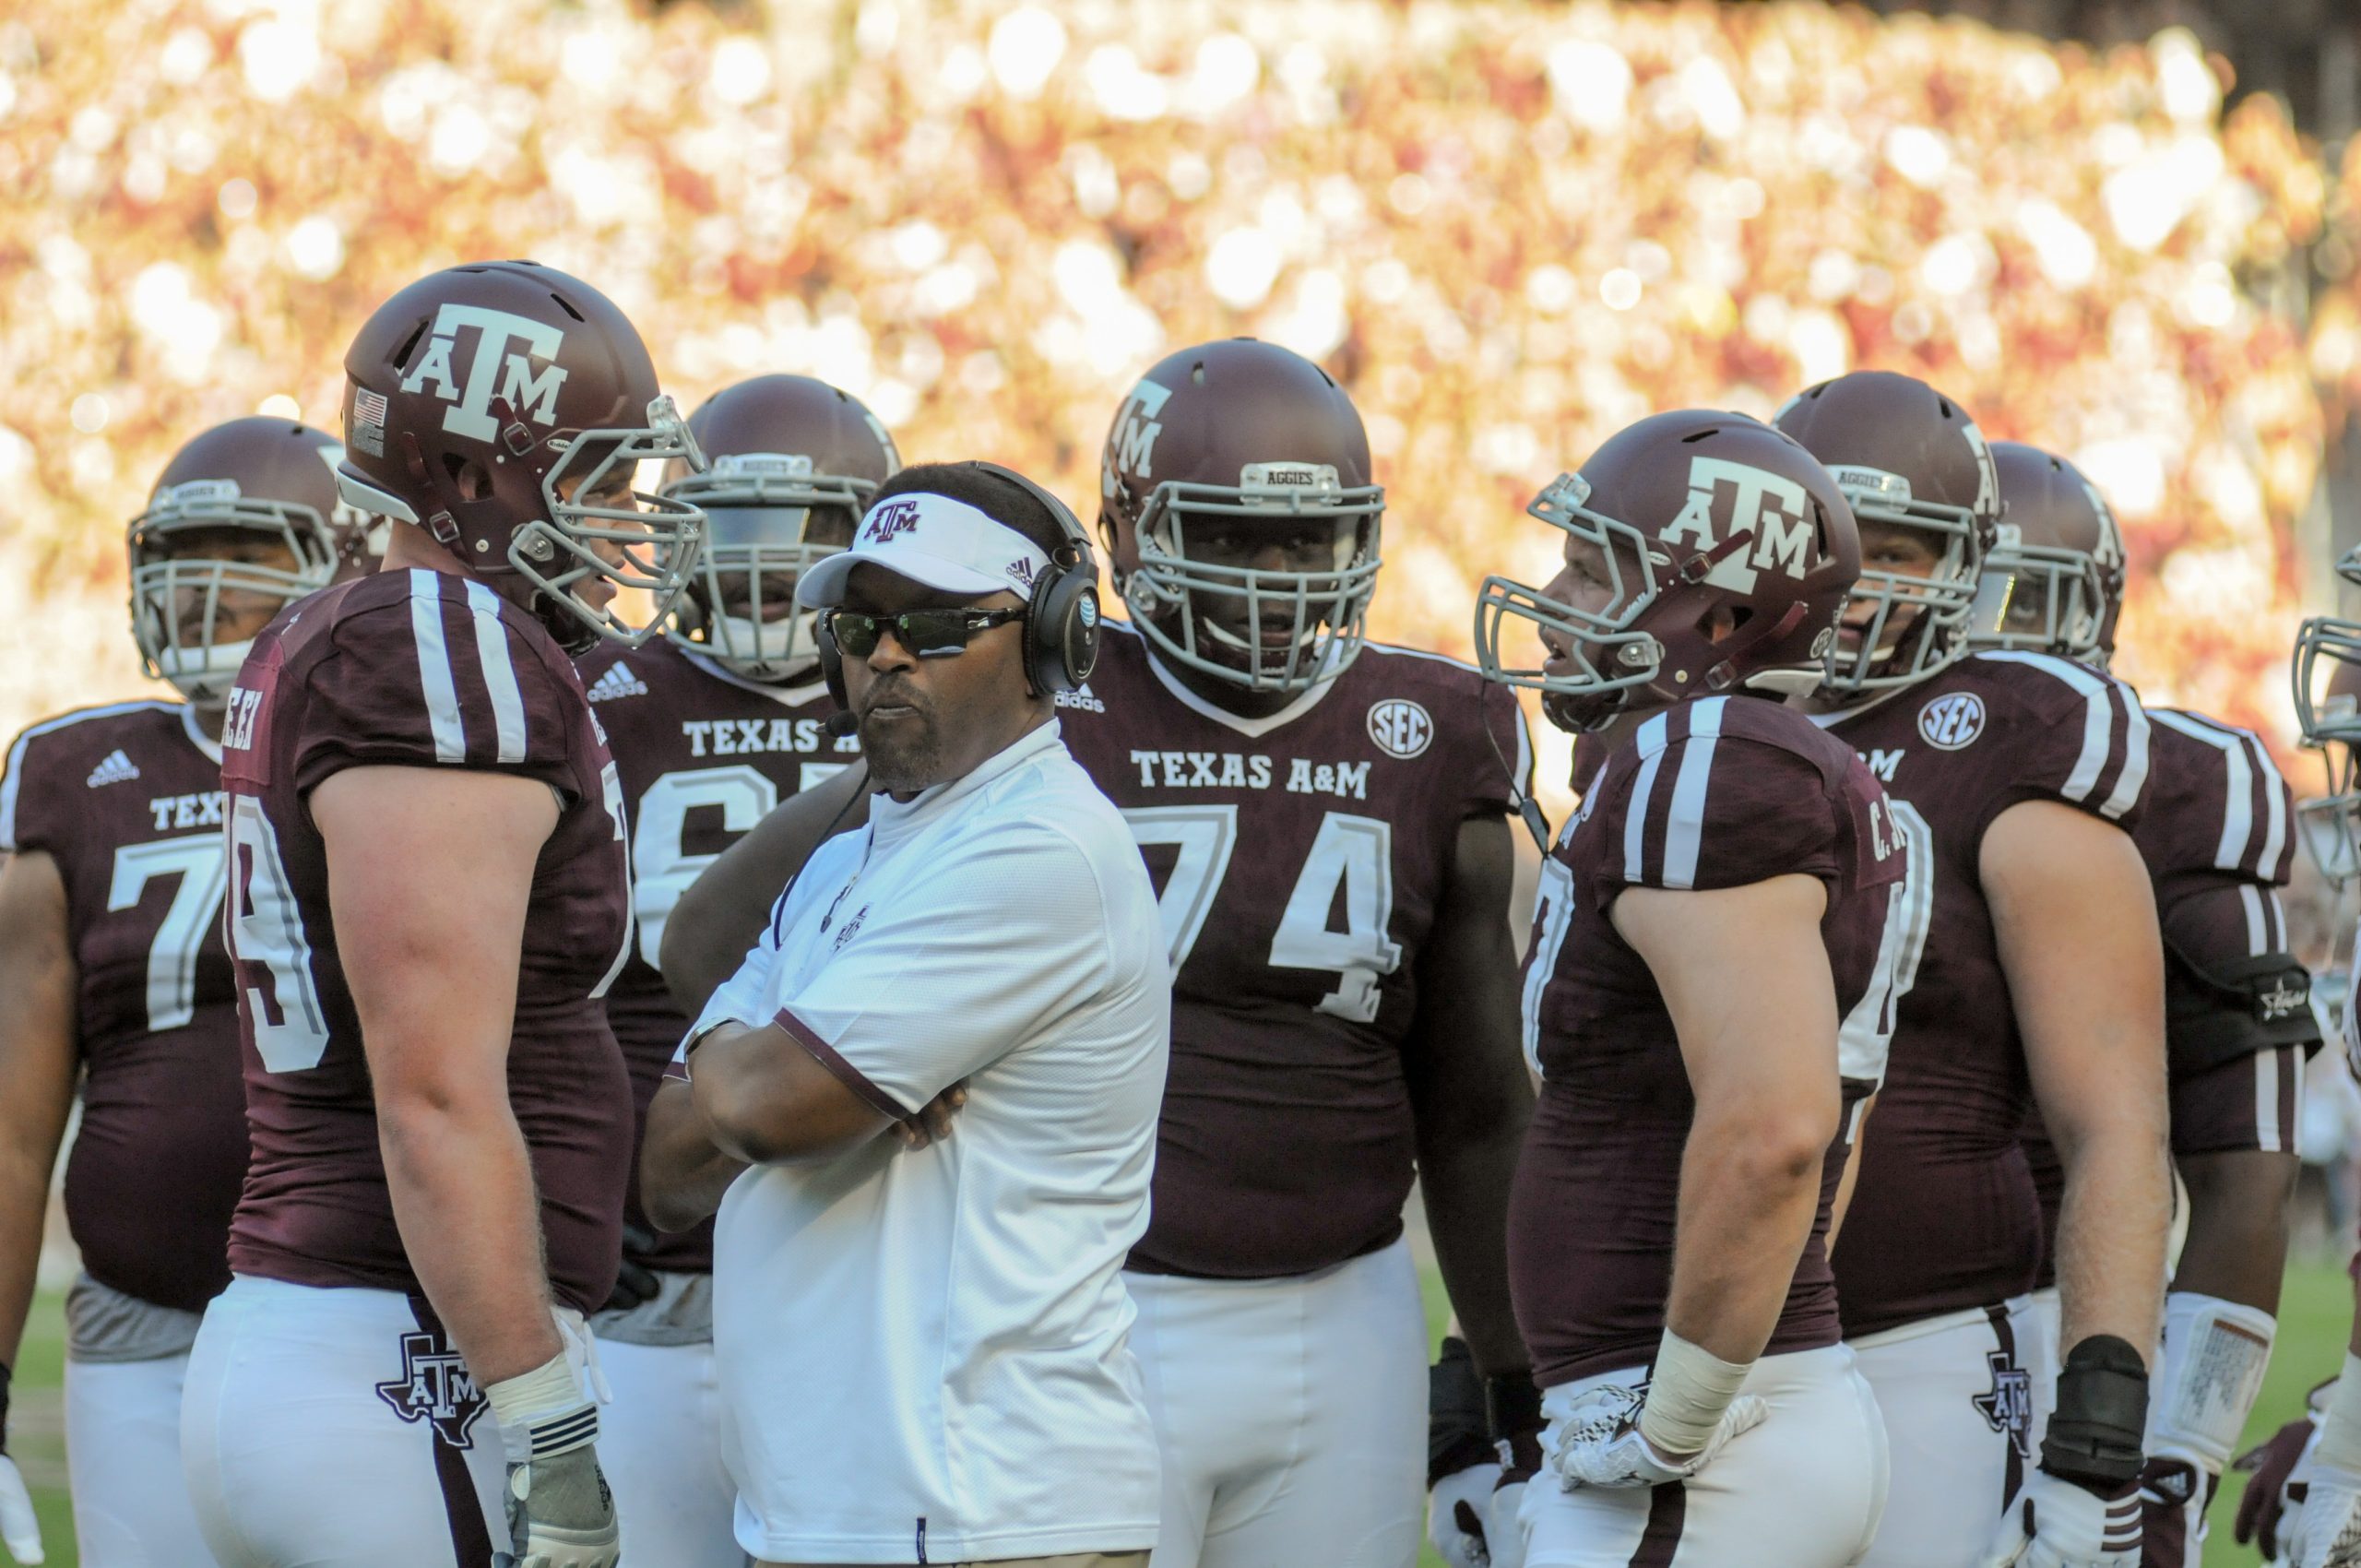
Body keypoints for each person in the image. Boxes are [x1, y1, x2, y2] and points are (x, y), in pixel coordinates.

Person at [655, 339, 1542, 1568]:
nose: (1271, 578)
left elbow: (1477, 1102)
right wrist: (866, 1050)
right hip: (1102, 1302)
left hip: (1349, 1299)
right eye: (1228, 537)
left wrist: (1511, 1375)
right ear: (1121, 543)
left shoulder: (1433, 729)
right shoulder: (1029, 701)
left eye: (1304, 541)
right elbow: (720, 932)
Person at [178, 259, 706, 1568]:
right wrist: (543, 1414)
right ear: (475, 479)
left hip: (356, 1345)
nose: (625, 516)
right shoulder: (438, 642)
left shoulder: (370, 630)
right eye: (593, 476)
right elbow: (433, 1094)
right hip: (407, 1355)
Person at [640, 461, 1168, 1568]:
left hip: (985, 1509)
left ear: (1049, 642)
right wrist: (779, 1086)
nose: (882, 652)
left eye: (933, 622)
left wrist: (761, 1075)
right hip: (832, 1505)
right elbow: (669, 1159)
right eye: (858, 622)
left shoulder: (1043, 846)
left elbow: (764, 1107)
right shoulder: (845, 859)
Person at [1470, 409, 1905, 1564]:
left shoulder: (1708, 754)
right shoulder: (1756, 755)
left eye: (1591, 566)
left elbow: (1776, 1130)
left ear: (1714, 615)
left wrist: (1675, 1420)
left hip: (1701, 1449)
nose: (1555, 595)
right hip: (1762, 1411)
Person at [1777, 371, 2170, 1568]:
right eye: (1838, 548)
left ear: (1964, 569)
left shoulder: (2011, 730)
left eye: (1898, 553)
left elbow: (2116, 1126)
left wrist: (2099, 1437)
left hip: (1924, 1341)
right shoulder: (1683, 725)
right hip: (1689, 1334)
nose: (1858, 591)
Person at [0, 417, 366, 1567]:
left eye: (246, 561)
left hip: (358, 1307)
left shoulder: (407, 756)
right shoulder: (70, 769)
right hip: (140, 1323)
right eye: (181, 560)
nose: (205, 598)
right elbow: (12, 1127)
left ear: (352, 566)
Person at [1972, 440, 2312, 1567]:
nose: (1981, 622)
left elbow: (2241, 1168)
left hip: (2043, 1330)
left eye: (2018, 590)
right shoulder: (1772, 761)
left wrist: (2175, 1455)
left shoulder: (2175, 786)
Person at [575, 373, 890, 1565]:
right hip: (644, 1283)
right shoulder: (590, 694)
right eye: (733, 526)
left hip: (870, 1263)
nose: (763, 567)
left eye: (800, 532)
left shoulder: (925, 697)